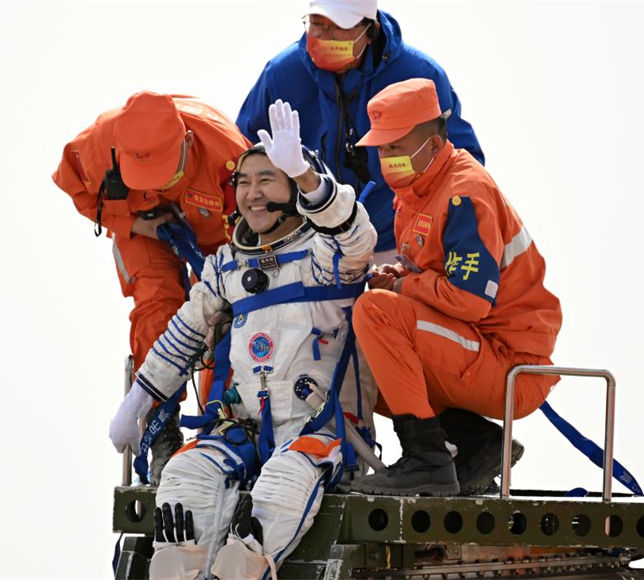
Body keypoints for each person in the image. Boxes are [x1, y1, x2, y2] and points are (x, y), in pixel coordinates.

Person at [109, 100, 378, 578]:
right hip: (242, 429)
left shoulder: (323, 256)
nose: (252, 194)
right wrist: (138, 401)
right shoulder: (227, 265)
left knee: (271, 502)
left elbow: (357, 236)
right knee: (182, 485)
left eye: (267, 180)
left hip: (314, 435)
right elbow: (185, 332)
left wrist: (312, 180)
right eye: (243, 183)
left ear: (294, 189)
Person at [348, 78, 562, 496]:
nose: (386, 158)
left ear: (432, 143)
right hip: (472, 347)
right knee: (361, 366)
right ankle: (473, 443)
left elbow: (468, 299)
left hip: (509, 363)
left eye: (395, 146)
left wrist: (404, 287)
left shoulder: (465, 192)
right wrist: (402, 281)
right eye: (382, 148)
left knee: (375, 313)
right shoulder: (416, 191)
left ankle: (426, 462)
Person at [52, 91, 251, 484]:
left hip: (220, 238)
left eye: (167, 173)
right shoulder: (95, 145)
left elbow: (254, 226)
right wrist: (133, 225)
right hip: (144, 230)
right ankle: (162, 431)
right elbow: (76, 189)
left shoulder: (228, 156)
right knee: (157, 311)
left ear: (188, 145)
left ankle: (236, 426)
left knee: (239, 317)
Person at [237, 0, 483, 264]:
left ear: (370, 29)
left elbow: (462, 161)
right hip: (313, 243)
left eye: (336, 27)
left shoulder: (419, 74)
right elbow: (243, 149)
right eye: (316, 25)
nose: (322, 36)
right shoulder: (281, 74)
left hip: (401, 243)